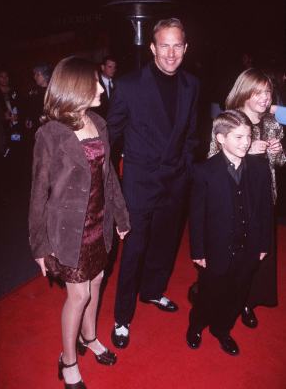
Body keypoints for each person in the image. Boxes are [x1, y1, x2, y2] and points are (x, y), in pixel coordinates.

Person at [29, 56, 130, 388]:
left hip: (99, 222)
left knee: (97, 282)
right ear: (76, 87)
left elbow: (110, 177)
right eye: (95, 82)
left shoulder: (99, 123)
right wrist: (40, 246)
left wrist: (120, 215)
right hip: (68, 230)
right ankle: (68, 360)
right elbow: (38, 192)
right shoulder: (51, 134)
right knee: (78, 295)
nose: (101, 87)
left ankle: (89, 337)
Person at [107, 18, 199, 348]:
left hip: (175, 181)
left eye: (177, 45)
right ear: (152, 48)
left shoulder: (191, 84)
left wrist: (186, 168)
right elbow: (111, 135)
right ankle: (122, 317)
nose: (171, 53)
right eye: (164, 45)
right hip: (140, 184)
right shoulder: (130, 85)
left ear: (185, 48)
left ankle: (153, 292)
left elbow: (190, 134)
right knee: (134, 249)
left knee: (165, 244)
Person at [187, 110, 273, 356]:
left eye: (248, 136)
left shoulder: (258, 168)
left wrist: (264, 243)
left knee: (237, 292)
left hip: (249, 247)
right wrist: (198, 250)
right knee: (209, 293)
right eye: (238, 137)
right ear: (221, 138)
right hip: (216, 249)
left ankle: (222, 329)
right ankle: (197, 324)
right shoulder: (204, 171)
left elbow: (265, 210)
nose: (246, 142)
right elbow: (197, 216)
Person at [212, 68, 285, 328]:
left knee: (259, 255)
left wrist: (275, 152)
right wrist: (245, 152)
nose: (265, 98)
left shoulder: (273, 122)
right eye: (258, 92)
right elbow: (212, 162)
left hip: (264, 200)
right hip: (234, 201)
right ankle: (225, 297)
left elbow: (279, 162)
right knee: (234, 257)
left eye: (268, 92)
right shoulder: (228, 121)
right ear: (244, 92)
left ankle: (248, 301)